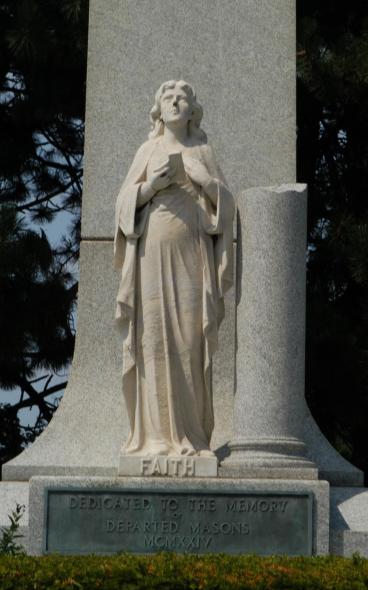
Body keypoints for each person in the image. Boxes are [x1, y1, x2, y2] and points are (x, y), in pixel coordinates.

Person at [114, 80, 234, 457]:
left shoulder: (203, 152)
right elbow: (121, 207)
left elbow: (228, 211)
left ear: (192, 109)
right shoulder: (147, 150)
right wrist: (149, 187)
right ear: (159, 109)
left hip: (192, 255)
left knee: (188, 343)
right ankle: (154, 440)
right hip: (151, 255)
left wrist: (207, 183)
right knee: (153, 342)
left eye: (183, 97)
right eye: (169, 97)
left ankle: (193, 438)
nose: (176, 102)